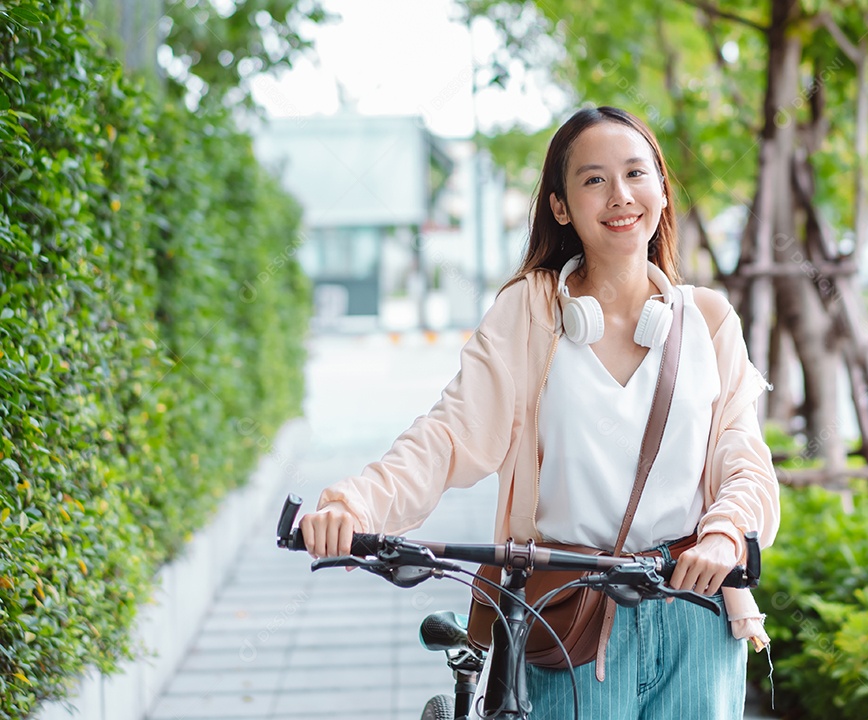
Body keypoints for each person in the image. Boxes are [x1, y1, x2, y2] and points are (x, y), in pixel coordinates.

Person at [300, 106, 780, 719]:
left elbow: (745, 459)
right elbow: (449, 434)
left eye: (636, 174)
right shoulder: (529, 315)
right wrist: (356, 503)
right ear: (561, 207)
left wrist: (722, 535)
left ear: (661, 188)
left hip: (697, 614)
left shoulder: (709, 321)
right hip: (567, 619)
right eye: (593, 180)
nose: (620, 196)